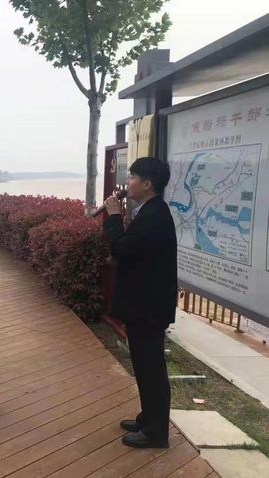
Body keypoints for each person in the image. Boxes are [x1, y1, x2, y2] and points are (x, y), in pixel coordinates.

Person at [103, 156, 178, 449]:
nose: (128, 182)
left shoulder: (154, 216)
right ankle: (148, 419)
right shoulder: (151, 211)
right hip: (146, 304)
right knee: (145, 366)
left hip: (148, 307)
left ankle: (156, 432)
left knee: (151, 369)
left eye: (132, 177)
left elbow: (122, 248)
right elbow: (134, 252)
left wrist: (112, 217)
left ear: (147, 184)